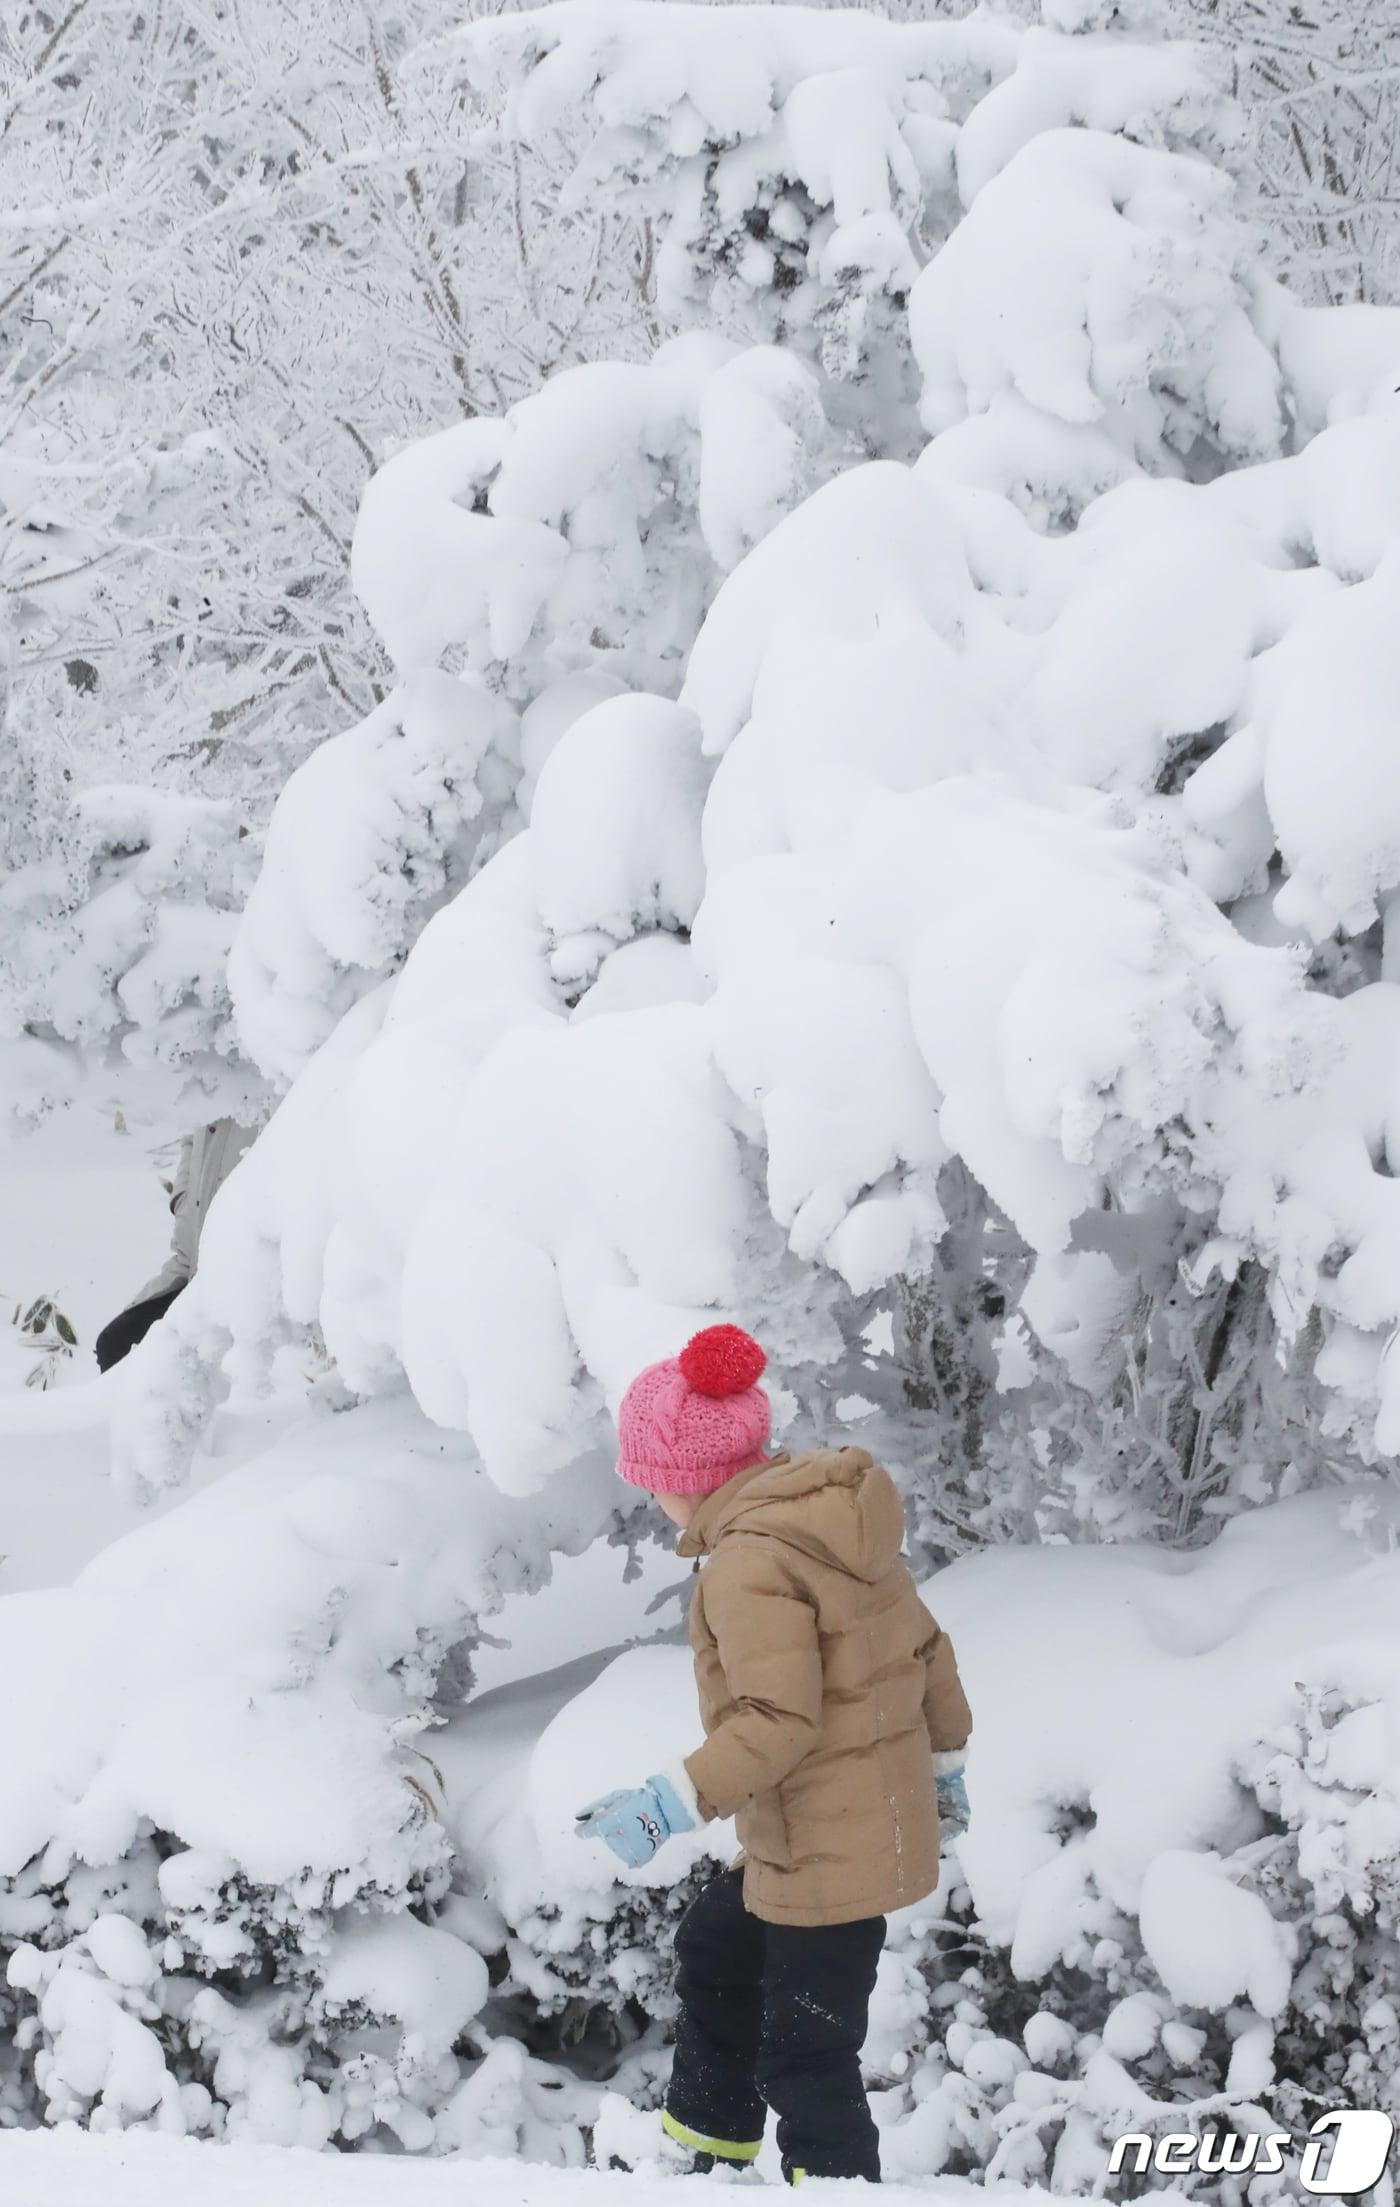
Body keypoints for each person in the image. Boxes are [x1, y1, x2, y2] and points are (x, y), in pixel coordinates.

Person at [576, 1323, 973, 2186]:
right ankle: (710, 2141)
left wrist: (666, 1803)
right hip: (838, 1829)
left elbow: (775, 1720)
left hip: (827, 1854)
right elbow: (926, 1648)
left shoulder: (748, 1563)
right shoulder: (830, 1521)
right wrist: (946, 1769)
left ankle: (836, 2187)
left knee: (809, 2053)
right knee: (718, 1945)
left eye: (654, 1484)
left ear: (686, 1481)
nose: (656, 1501)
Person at [94, 1119, 255, 1372]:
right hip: (189, 1258)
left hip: (241, 1280)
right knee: (115, 1344)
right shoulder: (216, 1081)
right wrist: (183, 1201)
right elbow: (193, 1131)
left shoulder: (275, 1086)